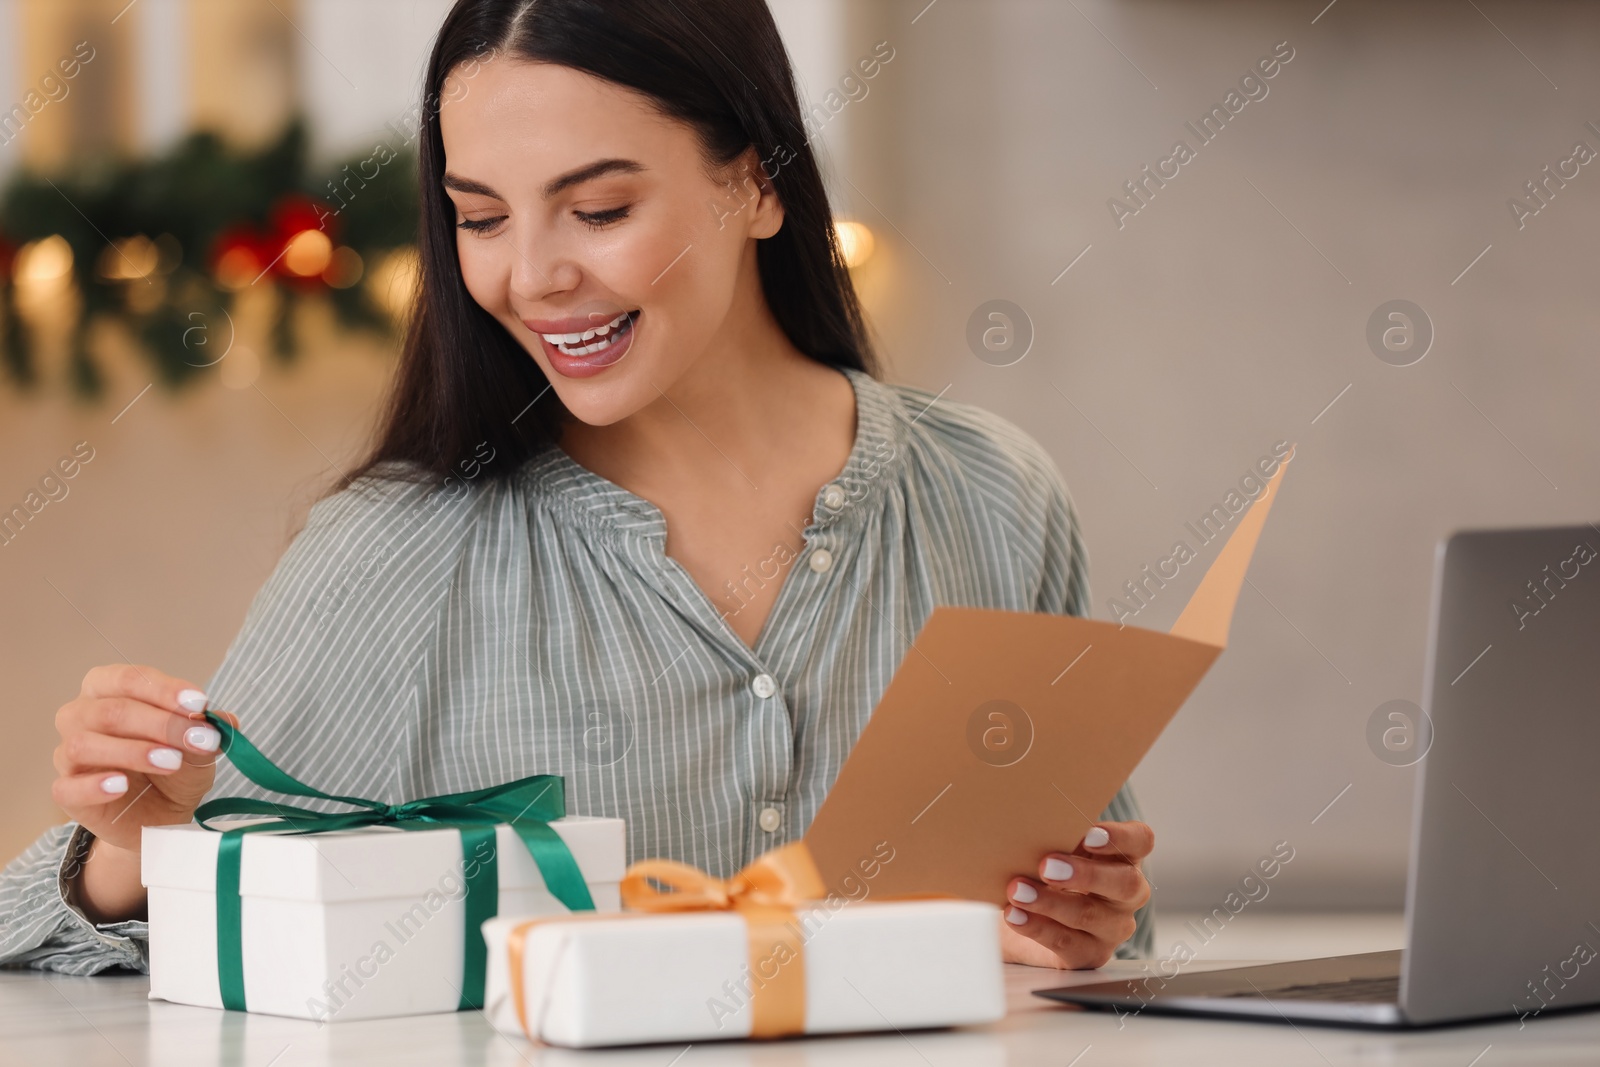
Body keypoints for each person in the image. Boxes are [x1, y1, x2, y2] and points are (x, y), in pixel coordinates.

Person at [0, 0, 1153, 976]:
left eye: (599, 210)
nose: (535, 276)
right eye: (480, 218)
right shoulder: (396, 553)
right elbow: (38, 941)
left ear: (759, 182)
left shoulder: (993, 497)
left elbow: (1091, 928)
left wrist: (1082, 917)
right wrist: (131, 859)